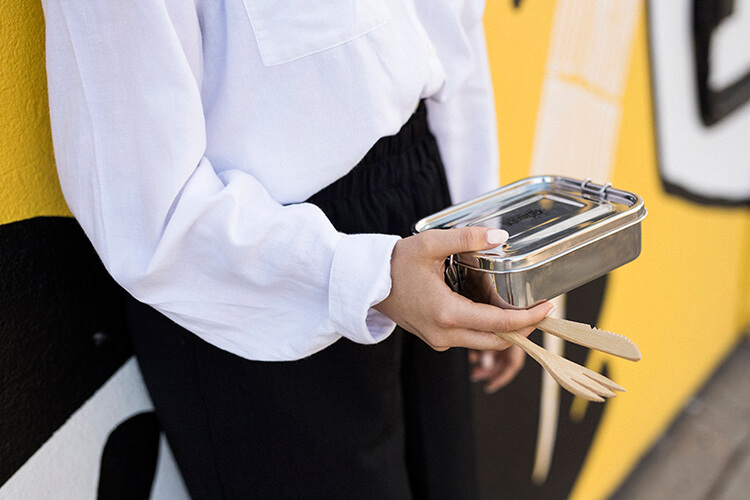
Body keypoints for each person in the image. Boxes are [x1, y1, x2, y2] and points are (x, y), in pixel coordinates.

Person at [42, 1, 553, 498]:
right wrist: (373, 280)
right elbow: (146, 201)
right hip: (258, 276)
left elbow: (447, 27)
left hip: (421, 209)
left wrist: (480, 240)